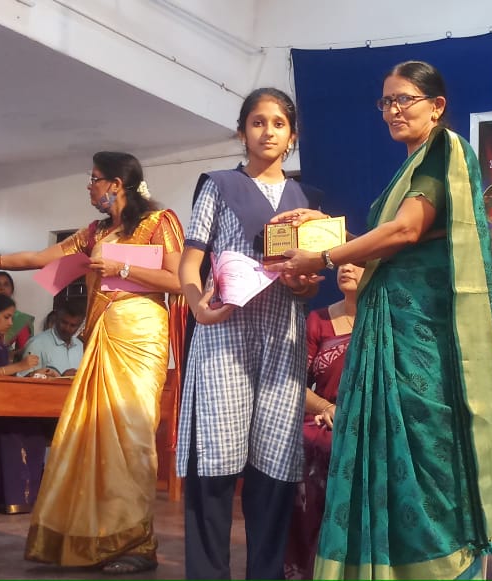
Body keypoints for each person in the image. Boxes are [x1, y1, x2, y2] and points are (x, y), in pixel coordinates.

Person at [267, 61, 492, 579]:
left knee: (425, 456)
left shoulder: (442, 153)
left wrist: (322, 256)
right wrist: (323, 229)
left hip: (419, 336)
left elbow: (405, 232)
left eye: (404, 99)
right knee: (389, 456)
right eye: (386, 101)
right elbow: (389, 246)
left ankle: (440, 568)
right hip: (393, 328)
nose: (393, 111)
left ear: (437, 106)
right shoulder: (410, 169)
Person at [0, 151, 184, 574]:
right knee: (91, 437)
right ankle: (92, 539)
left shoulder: (159, 222)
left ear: (116, 184)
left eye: (94, 179)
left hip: (140, 337)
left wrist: (121, 266)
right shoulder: (95, 232)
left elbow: (178, 280)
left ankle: (137, 544)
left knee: (132, 438)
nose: (89, 186)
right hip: (101, 337)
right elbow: (41, 258)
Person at [177, 87, 323, 580]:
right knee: (215, 465)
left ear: (292, 136)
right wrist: (198, 306)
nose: (268, 132)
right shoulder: (219, 186)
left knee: (274, 466)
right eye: (258, 123)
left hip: (283, 339)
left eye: (279, 124)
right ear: (242, 132)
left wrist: (303, 286)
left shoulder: (308, 202)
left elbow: (307, 282)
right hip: (224, 336)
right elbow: (190, 262)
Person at [284, 263, 362, 580]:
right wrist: (328, 408)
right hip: (325, 417)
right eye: (343, 263)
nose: (347, 268)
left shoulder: (385, 322)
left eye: (359, 263)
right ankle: (305, 568)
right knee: (305, 445)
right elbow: (295, 384)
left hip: (371, 420)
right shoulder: (319, 320)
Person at [0, 294, 51, 514]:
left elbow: (5, 381)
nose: (11, 323)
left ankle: (19, 498)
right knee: (11, 432)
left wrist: (31, 374)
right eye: (7, 317)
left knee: (33, 431)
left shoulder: (1, 347)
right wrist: (20, 365)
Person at [19, 300, 85, 378]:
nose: (67, 328)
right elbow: (24, 380)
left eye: (73, 325)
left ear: (80, 325)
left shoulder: (80, 347)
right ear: (56, 318)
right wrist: (61, 378)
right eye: (64, 323)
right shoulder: (36, 344)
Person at [0, 271, 35, 357]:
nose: (2, 288)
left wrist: (7, 354)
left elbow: (24, 350)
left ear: (12, 290)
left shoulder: (19, 319)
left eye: (6, 284)